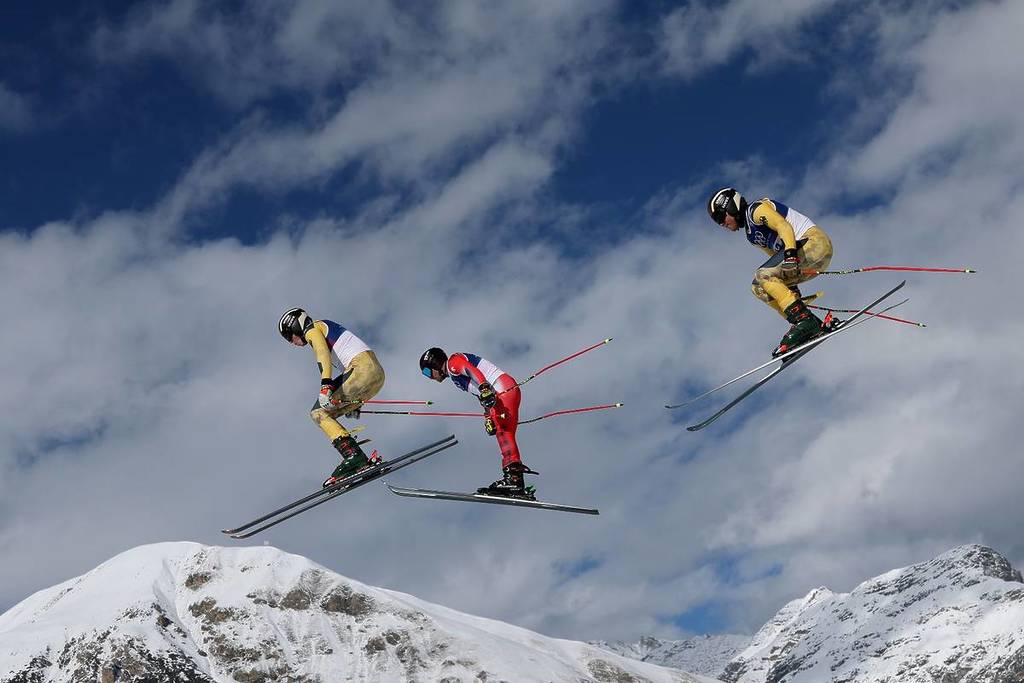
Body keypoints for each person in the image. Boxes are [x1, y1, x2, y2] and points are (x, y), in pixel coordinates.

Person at [707, 187, 837, 356]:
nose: (721, 223)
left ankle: (804, 321)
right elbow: (776, 258)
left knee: (762, 275)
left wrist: (790, 255)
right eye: (717, 222)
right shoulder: (751, 235)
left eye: (720, 216)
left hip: (813, 244)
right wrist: (790, 287)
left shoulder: (755, 210)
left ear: (731, 206)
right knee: (758, 287)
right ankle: (806, 323)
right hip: (800, 257)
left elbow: (783, 226)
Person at [278, 308, 386, 486]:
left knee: (318, 413)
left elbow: (322, 353)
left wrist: (326, 386)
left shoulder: (313, 329)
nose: (292, 342)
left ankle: (353, 456)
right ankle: (361, 461)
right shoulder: (325, 326)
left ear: (295, 327)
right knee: (328, 411)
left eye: (289, 336)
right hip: (376, 375)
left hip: (361, 369)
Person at [419, 347, 536, 499]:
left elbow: (470, 370)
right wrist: (488, 416)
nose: (430, 378)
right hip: (501, 392)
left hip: (502, 388)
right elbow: (480, 395)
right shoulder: (455, 377)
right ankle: (514, 481)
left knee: (503, 432)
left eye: (427, 373)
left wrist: (484, 387)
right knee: (504, 434)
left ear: (435, 365)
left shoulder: (453, 363)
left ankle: (513, 480)